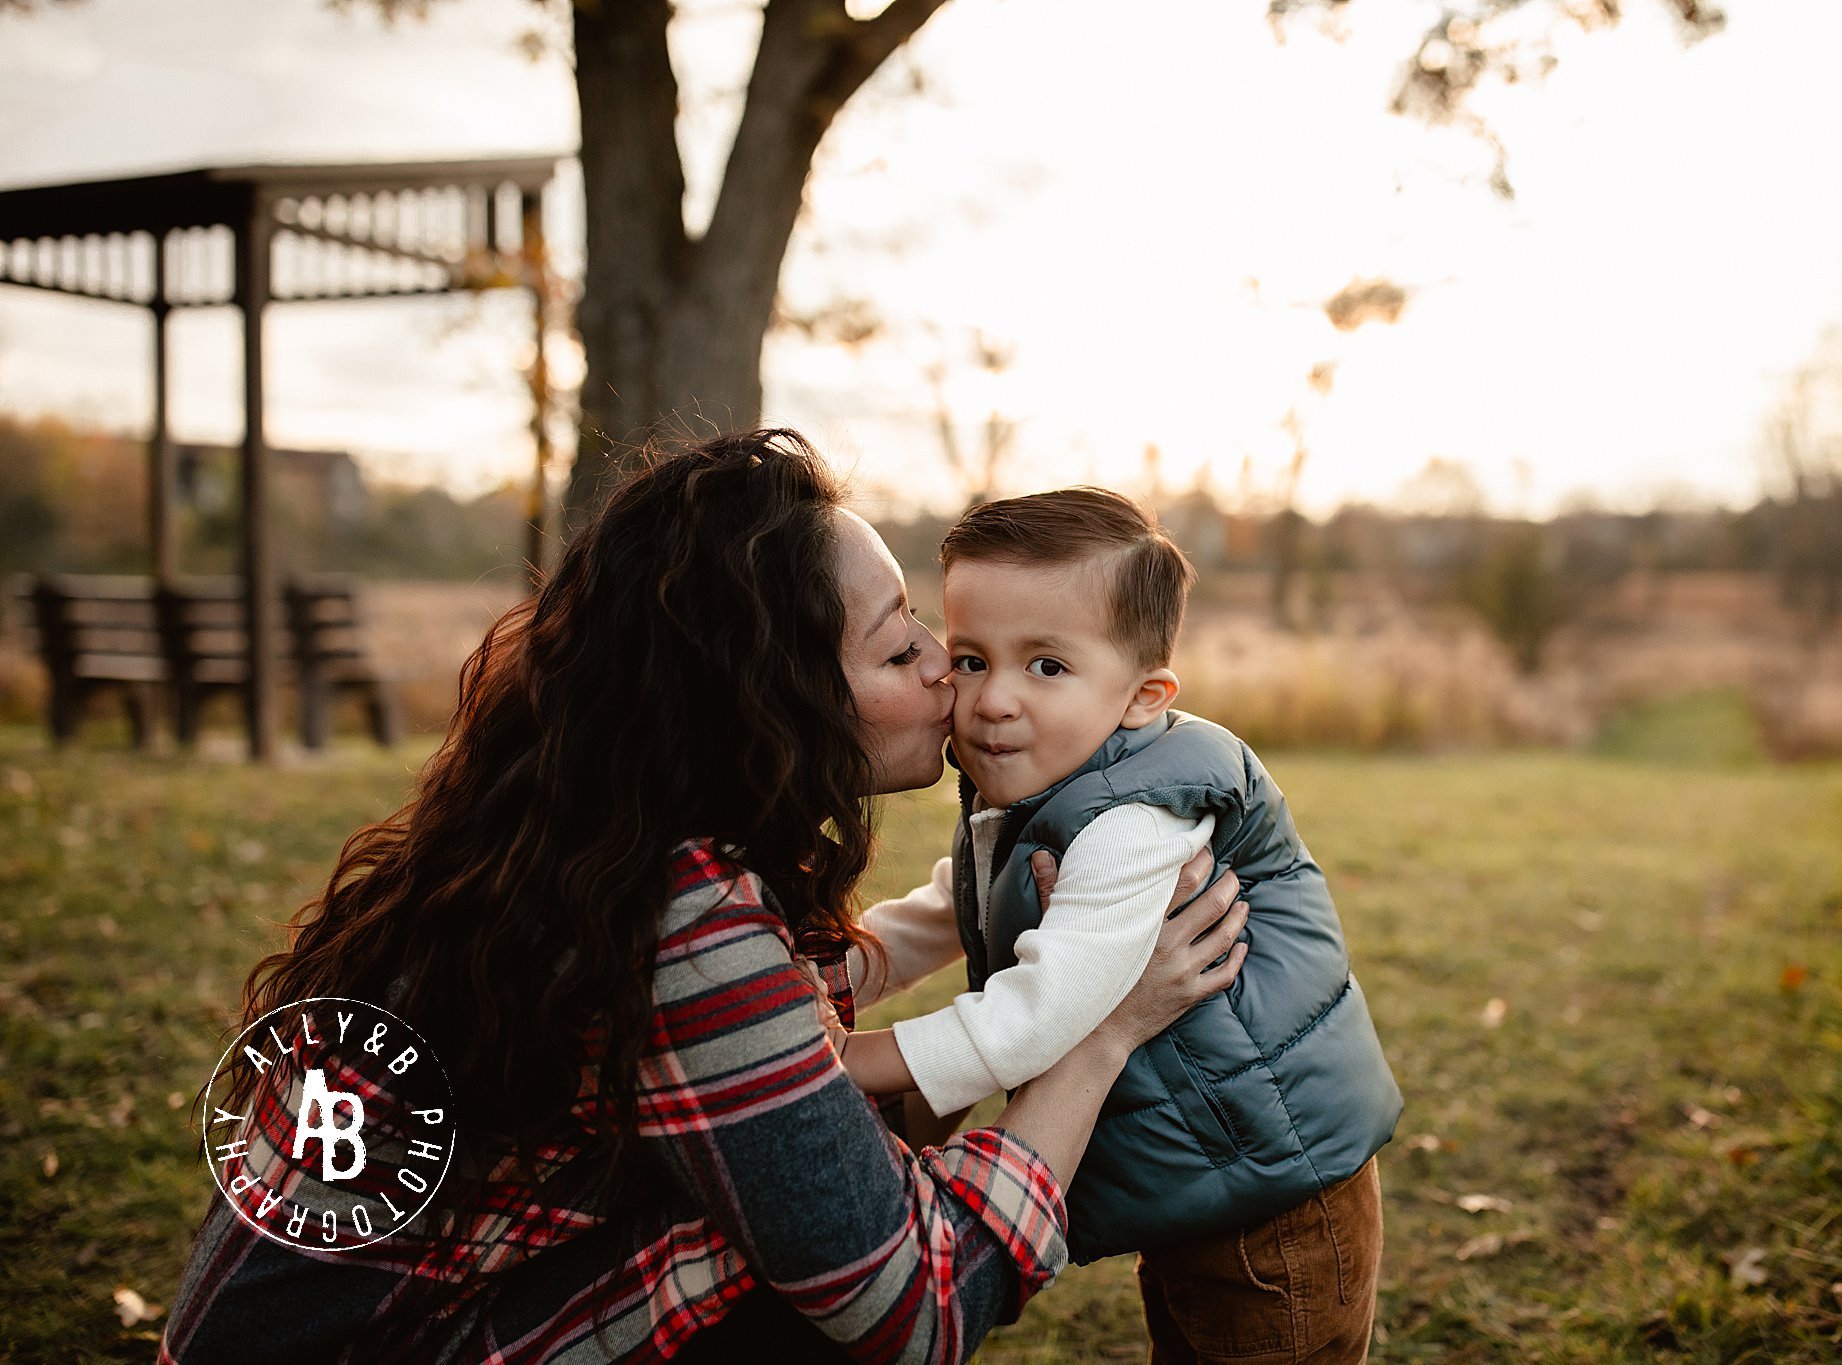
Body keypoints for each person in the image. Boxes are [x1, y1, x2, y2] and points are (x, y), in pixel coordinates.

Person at [157, 431, 1249, 1365]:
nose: (943, 671)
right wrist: (1099, 1032)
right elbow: (912, 1308)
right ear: (774, 700)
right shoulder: (677, 915)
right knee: (786, 1275)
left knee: (780, 1201)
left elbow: (797, 1088)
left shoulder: (595, 843)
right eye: (900, 643)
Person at [835, 488, 1403, 1364]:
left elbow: (1041, 1011)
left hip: (1274, 1203)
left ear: (1142, 696)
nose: (993, 700)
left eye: (1047, 667)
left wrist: (847, 1060)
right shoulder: (1058, 783)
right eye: (974, 658)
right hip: (1209, 1176)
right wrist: (852, 965)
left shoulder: (1134, 821)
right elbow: (958, 901)